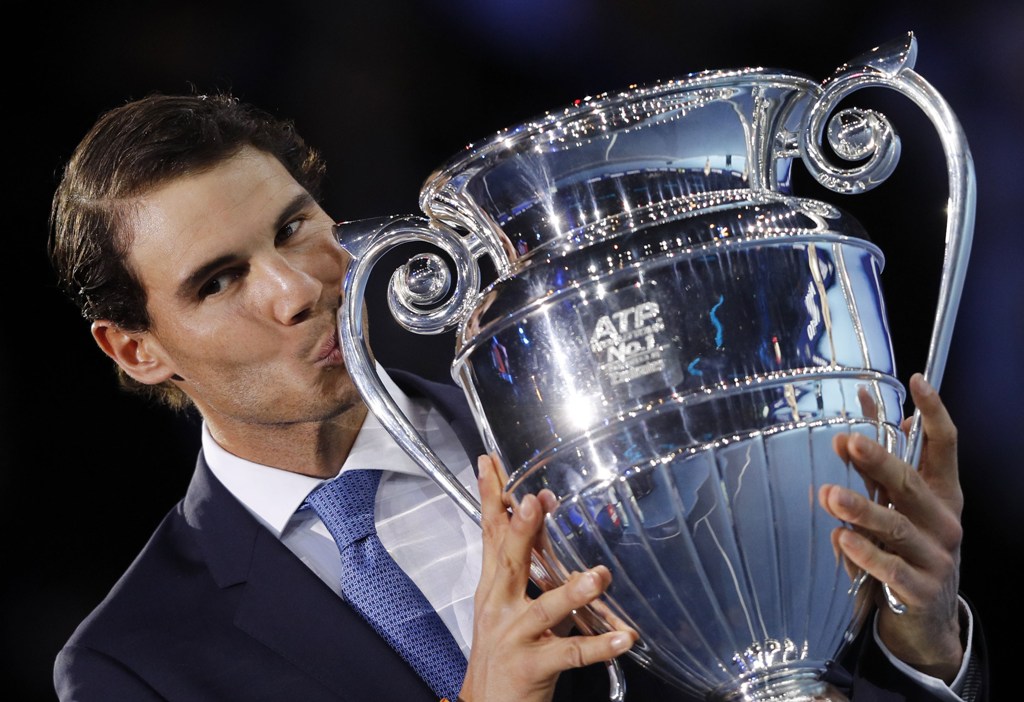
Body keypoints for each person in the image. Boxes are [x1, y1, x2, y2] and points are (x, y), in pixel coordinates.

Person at [49, 91, 986, 701]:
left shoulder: (611, 435)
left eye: (297, 227)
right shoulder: (133, 663)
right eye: (219, 282)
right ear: (135, 350)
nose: (296, 291)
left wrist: (923, 644)